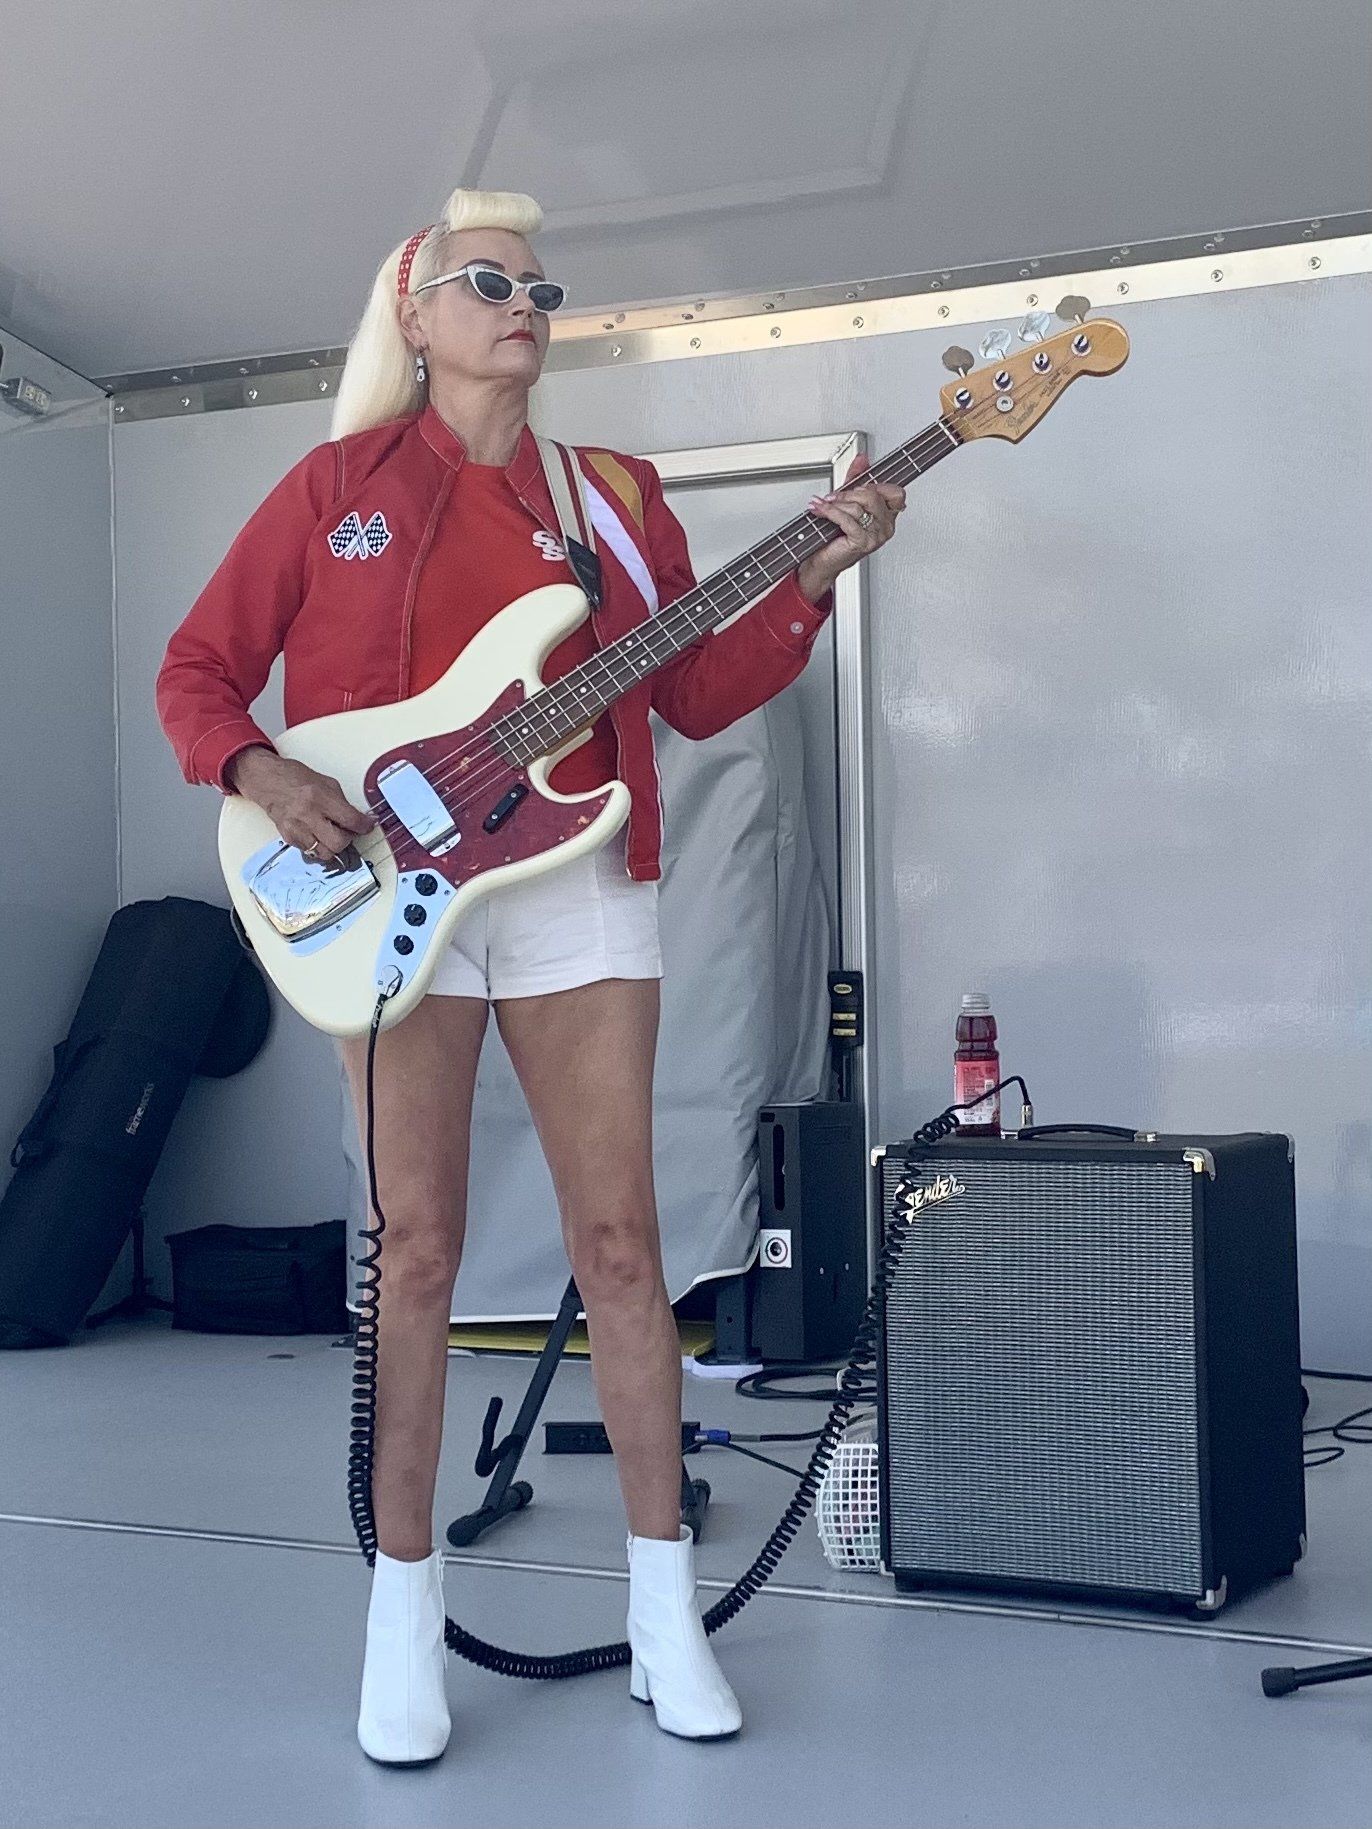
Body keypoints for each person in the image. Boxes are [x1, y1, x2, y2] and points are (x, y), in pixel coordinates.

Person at [155, 185, 905, 1763]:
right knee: (416, 1246)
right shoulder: (330, 486)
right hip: (380, 894)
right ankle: (402, 1620)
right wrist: (263, 773)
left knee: (623, 1242)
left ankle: (660, 1609)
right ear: (414, 314)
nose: (525, 305)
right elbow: (197, 670)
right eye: (489, 282)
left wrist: (814, 579)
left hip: (572, 890)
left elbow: (694, 689)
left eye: (542, 288)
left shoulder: (612, 496)